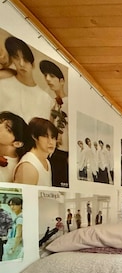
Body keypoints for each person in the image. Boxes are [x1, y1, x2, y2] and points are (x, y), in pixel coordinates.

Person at [0, 36, 52, 124]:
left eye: (25, 59)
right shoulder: (3, 84)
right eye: (16, 58)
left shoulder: (45, 98)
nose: (21, 64)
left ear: (33, 64)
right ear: (12, 59)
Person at [39, 60, 69, 188]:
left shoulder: (70, 103)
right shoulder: (52, 103)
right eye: (46, 75)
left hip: (65, 153)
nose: (48, 79)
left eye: (52, 76)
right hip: (53, 152)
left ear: (61, 81)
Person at [13, 117, 59, 186]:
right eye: (45, 136)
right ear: (34, 136)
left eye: (53, 137)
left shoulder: (46, 162)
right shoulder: (28, 166)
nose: (51, 142)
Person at [0, 111, 28, 182]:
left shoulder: (16, 168)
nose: (0, 126)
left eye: (7, 128)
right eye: (0, 122)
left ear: (17, 143)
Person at [3, 196, 23, 261]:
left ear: (20, 205)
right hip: (12, 242)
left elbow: (18, 235)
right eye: (10, 205)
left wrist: (13, 249)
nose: (12, 207)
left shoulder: (20, 218)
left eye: (14, 205)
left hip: (14, 245)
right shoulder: (18, 217)